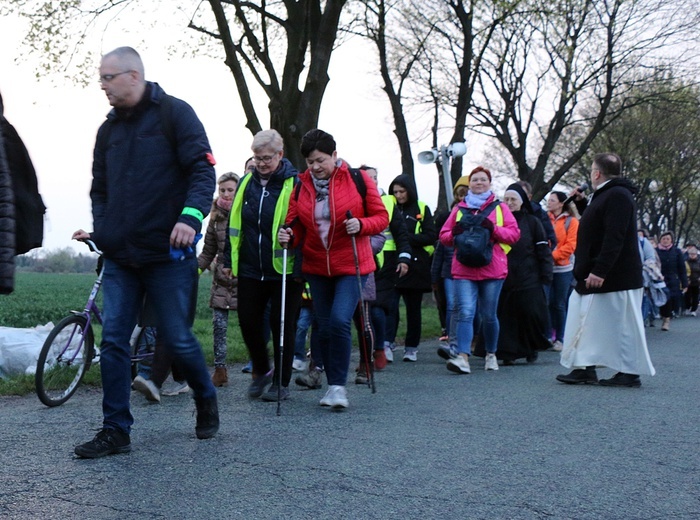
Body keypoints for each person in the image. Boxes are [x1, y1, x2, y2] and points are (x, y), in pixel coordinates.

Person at [74, 47, 219, 458]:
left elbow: (203, 170)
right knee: (115, 340)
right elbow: (99, 188)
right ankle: (116, 430)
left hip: (167, 256)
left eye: (108, 77)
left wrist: (190, 219)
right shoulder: (107, 132)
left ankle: (204, 396)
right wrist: (105, 229)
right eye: (101, 78)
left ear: (133, 76)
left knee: (177, 337)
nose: (102, 85)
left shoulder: (176, 115)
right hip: (122, 256)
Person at [278, 129, 388, 409]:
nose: (315, 167)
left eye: (321, 160)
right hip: (316, 266)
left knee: (340, 320)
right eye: (310, 161)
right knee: (325, 326)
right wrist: (288, 234)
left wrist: (362, 225)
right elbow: (296, 224)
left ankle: (338, 388)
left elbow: (381, 218)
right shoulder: (301, 186)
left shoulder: (358, 179)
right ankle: (330, 384)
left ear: (335, 156)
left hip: (352, 263)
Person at [556, 153, 655, 387]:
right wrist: (581, 203)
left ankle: (629, 373)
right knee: (586, 320)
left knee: (623, 325)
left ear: (597, 173)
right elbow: (597, 224)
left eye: (592, 170)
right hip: (600, 271)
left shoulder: (618, 195)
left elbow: (614, 236)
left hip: (613, 275)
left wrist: (600, 270)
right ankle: (584, 367)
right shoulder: (607, 195)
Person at [222, 129, 304, 402]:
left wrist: (292, 235)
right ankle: (261, 369)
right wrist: (227, 259)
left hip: (284, 268)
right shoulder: (246, 183)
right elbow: (235, 224)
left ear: (280, 155)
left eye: (267, 158)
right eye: (257, 157)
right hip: (249, 266)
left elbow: (304, 222)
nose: (261, 163)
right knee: (247, 321)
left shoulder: (296, 184)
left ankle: (281, 383)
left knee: (281, 324)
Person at [438, 166, 520, 374]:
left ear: (489, 183)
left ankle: (491, 354)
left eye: (483, 179)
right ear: (469, 184)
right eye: (475, 180)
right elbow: (444, 236)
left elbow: (514, 235)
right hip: (464, 268)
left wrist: (493, 229)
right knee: (465, 312)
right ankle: (463, 357)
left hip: (492, 269)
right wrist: (454, 235)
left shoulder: (500, 208)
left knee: (488, 315)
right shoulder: (459, 209)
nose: (479, 182)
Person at [474, 183, 552, 364]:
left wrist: (546, 275)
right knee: (506, 317)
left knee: (530, 313)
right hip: (503, 275)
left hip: (529, 276)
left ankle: (531, 347)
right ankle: (507, 353)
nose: (509, 203)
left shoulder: (533, 222)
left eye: (513, 199)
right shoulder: (497, 220)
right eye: (506, 199)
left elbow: (543, 251)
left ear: (522, 201)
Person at [385, 174, 437, 362]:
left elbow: (431, 235)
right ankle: (387, 342)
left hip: (416, 266)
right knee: (390, 307)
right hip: (393, 263)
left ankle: (411, 347)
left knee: (413, 309)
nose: (398, 195)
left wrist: (405, 238)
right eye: (395, 192)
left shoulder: (422, 208)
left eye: (402, 191)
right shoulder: (389, 206)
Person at [198, 172, 240, 386]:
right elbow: (208, 251)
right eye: (222, 190)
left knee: (253, 326)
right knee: (219, 327)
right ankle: (220, 369)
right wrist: (194, 271)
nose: (225, 194)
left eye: (230, 190)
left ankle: (261, 369)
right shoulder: (215, 220)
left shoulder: (246, 213)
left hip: (244, 280)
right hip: (222, 281)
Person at [546, 191, 579, 351]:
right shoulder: (544, 218)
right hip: (545, 268)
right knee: (546, 302)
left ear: (561, 203)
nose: (549, 203)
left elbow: (571, 245)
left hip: (563, 269)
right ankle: (547, 334)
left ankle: (560, 337)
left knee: (559, 303)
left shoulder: (571, 222)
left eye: (552, 200)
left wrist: (552, 256)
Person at [656, 231, 687, 331]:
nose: (665, 241)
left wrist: (685, 283)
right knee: (663, 299)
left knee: (671, 299)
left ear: (671, 240)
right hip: (659, 278)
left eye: (667, 239)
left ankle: (667, 319)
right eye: (663, 239)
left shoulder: (677, 251)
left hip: (673, 279)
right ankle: (665, 317)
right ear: (660, 240)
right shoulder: (655, 251)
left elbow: (682, 269)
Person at [685, 245, 700, 316]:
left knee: (695, 296)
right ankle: (687, 308)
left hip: (697, 281)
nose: (693, 255)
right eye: (691, 254)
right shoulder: (686, 261)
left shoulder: (699, 262)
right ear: (689, 254)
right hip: (688, 281)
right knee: (687, 296)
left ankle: (694, 310)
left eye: (694, 254)